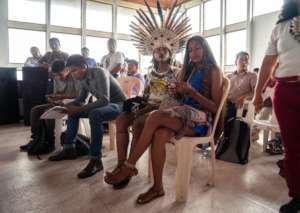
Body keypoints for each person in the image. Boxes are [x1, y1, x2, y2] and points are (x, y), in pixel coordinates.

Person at [105, 35, 222, 204]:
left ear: (205, 49)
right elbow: (182, 99)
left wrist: (192, 92)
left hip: (202, 120)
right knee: (159, 135)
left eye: (197, 48)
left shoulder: (214, 70)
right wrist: (178, 92)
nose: (193, 53)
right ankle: (157, 188)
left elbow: (216, 107)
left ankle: (128, 167)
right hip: (183, 113)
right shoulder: (189, 70)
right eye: (190, 50)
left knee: (155, 117)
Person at [253, 0, 300, 212]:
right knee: (292, 147)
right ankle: (297, 195)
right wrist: (257, 94)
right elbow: (267, 63)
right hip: (286, 91)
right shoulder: (280, 27)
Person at [48, 55, 126, 179]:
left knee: (95, 114)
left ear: (83, 67)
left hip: (120, 105)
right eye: (70, 71)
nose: (72, 74)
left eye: (74, 70)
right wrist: (64, 105)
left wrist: (78, 108)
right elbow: (81, 100)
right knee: (73, 112)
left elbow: (105, 100)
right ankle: (69, 148)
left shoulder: (100, 73)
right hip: (107, 105)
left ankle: (96, 160)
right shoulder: (83, 78)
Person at [19, 60, 81, 152]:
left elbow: (79, 94)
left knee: (49, 112)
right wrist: (52, 98)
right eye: (55, 75)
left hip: (73, 103)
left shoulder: (75, 76)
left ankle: (49, 141)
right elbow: (56, 93)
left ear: (66, 70)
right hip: (60, 103)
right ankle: (36, 139)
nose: (58, 77)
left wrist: (61, 97)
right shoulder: (56, 78)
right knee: (34, 110)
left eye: (60, 74)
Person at [226, 51, 257, 122]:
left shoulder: (252, 75)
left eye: (246, 60)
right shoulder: (228, 76)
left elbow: (255, 92)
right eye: (241, 59)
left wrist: (244, 97)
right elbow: (223, 92)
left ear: (248, 63)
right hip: (228, 105)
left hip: (243, 107)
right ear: (235, 62)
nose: (244, 62)